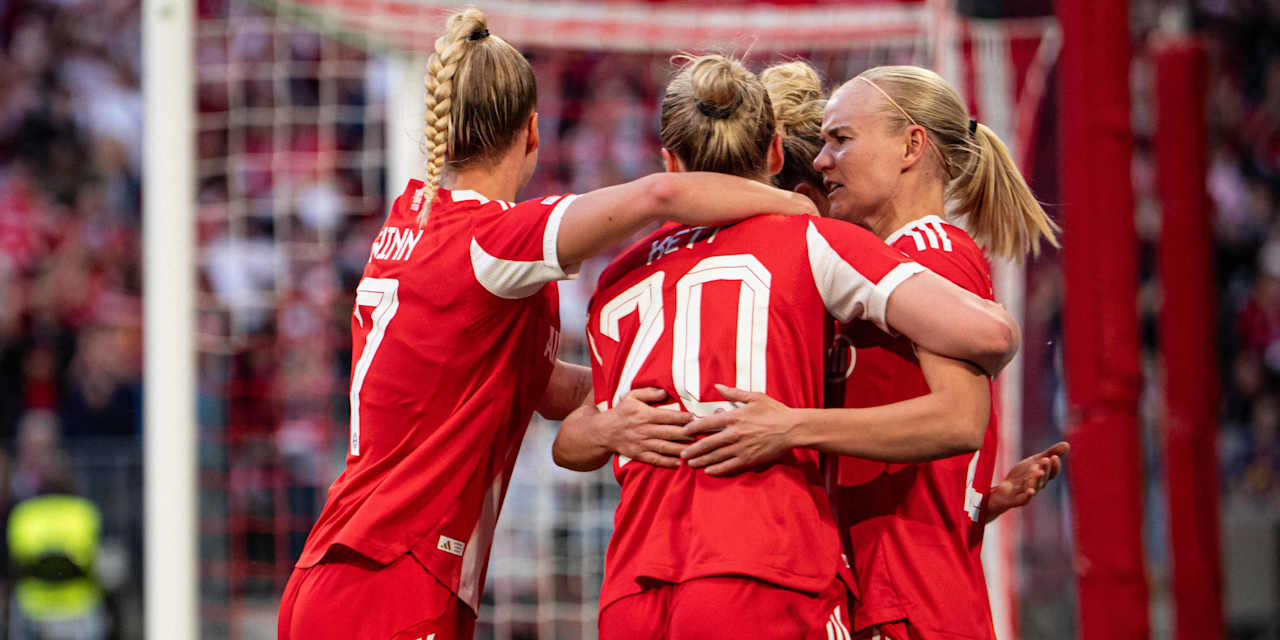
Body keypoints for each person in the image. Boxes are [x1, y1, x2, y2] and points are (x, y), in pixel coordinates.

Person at [275, 10, 825, 640]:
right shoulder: (489, 243)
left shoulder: (411, 221)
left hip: (340, 566)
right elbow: (660, 196)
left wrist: (653, 388)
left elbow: (534, 386)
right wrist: (794, 205)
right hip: (395, 574)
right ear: (533, 131)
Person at [552, 54, 1022, 640]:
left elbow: (577, 430)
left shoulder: (618, 275)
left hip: (635, 582)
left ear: (669, 160)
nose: (825, 160)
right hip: (776, 569)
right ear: (774, 154)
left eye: (841, 140)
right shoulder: (815, 241)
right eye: (824, 143)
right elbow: (986, 344)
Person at [680, 64, 1068, 640]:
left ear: (911, 145)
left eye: (841, 139)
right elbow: (907, 448)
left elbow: (957, 422)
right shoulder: (877, 273)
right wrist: (975, 500)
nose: (823, 160)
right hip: (885, 596)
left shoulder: (930, 254)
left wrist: (790, 426)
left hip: (910, 606)